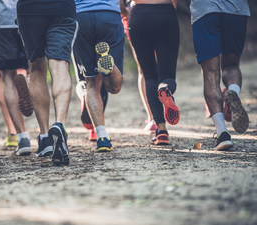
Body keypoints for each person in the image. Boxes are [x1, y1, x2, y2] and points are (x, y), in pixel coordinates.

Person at [16, 0, 77, 165]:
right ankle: (59, 126)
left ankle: (44, 138)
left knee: (36, 68)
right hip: (62, 8)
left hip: (29, 9)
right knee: (60, 64)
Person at [190, 0, 250, 150]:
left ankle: (222, 133)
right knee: (231, 66)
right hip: (236, 11)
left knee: (210, 73)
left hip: (205, 11)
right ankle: (233, 92)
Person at [0, 0, 32, 156]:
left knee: (6, 77)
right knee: (35, 70)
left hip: (0, 19)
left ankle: (21, 137)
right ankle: (45, 135)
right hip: (27, 14)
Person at [72, 0, 124, 152]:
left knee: (91, 83)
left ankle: (102, 137)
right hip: (109, 16)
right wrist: (126, 12)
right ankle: (108, 62)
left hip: (81, 18)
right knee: (114, 87)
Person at [128, 0, 180, 145]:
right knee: (167, 75)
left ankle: (161, 130)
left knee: (149, 75)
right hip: (166, 13)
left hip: (139, 15)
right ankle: (165, 88)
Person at [120, 0, 157, 133]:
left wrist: (125, 12)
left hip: (134, 14)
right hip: (160, 12)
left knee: (143, 69)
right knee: (158, 67)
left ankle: (152, 118)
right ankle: (160, 118)